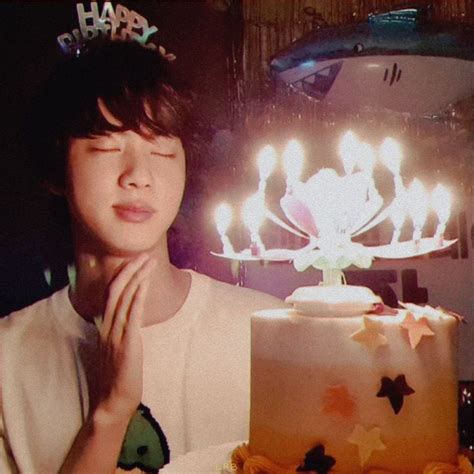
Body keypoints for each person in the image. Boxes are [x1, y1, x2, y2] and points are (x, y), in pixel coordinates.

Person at [0, 39, 282, 473]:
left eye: (162, 150)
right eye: (107, 149)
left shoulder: (269, 335)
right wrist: (110, 413)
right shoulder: (8, 357)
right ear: (56, 170)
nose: (138, 177)